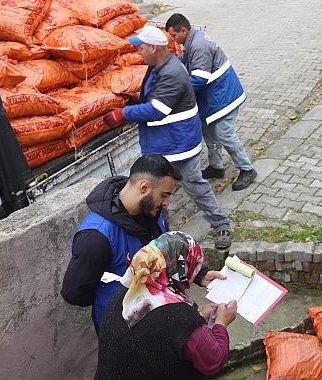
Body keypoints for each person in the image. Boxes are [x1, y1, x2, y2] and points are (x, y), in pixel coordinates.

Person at [103, 25, 233, 251]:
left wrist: (123, 113)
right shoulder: (158, 66)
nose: (139, 52)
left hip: (178, 144)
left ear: (154, 48)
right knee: (157, 194)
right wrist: (137, 96)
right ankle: (163, 236)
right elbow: (157, 94)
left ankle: (221, 225)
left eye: (141, 48)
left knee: (194, 185)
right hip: (165, 143)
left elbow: (157, 109)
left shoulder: (171, 72)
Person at [60, 154, 224, 333]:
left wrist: (199, 274)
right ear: (144, 187)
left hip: (158, 316)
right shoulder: (96, 237)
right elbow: (75, 293)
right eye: (164, 195)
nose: (167, 203)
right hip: (123, 331)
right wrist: (117, 294)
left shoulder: (152, 209)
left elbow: (167, 251)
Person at [95, 231, 238, 380]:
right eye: (194, 267)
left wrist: (199, 318)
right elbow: (213, 360)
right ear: (183, 269)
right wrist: (221, 322)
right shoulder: (181, 317)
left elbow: (158, 334)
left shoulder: (123, 296)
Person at [165, 13, 258, 191]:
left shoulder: (198, 45)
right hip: (215, 96)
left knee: (225, 134)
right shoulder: (192, 40)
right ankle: (216, 166)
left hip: (224, 97)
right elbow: (187, 64)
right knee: (208, 131)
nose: (173, 40)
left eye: (174, 35)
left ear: (183, 30)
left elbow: (199, 78)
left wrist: (178, 95)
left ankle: (247, 169)